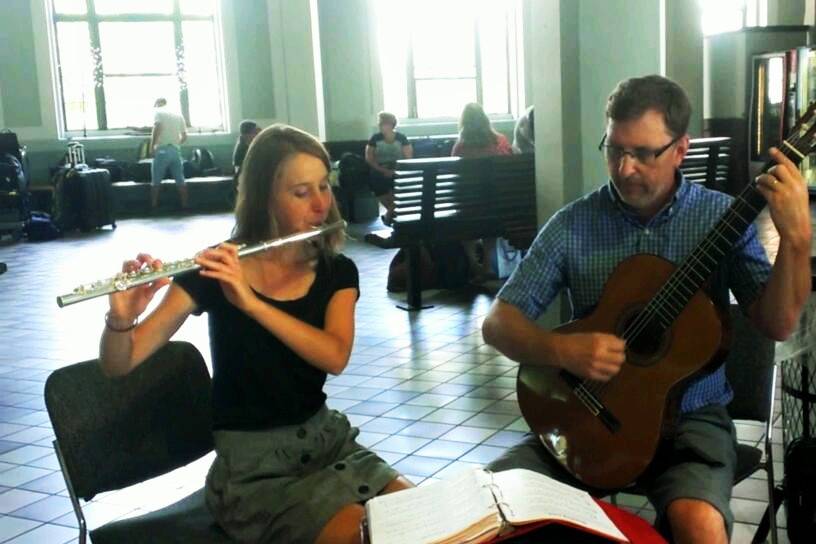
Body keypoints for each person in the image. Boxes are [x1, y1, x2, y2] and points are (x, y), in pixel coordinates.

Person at [482, 75, 811, 544]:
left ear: (680, 149)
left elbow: (776, 323)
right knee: (494, 501)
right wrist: (562, 350)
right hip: (585, 418)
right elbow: (498, 324)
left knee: (699, 526)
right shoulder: (573, 224)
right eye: (614, 149)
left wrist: (796, 242)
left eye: (642, 153)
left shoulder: (722, 217)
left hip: (692, 423)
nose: (624, 168)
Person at [99, 124, 412, 544]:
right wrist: (122, 318)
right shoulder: (215, 271)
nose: (321, 203)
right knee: (361, 532)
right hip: (255, 473)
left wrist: (251, 304)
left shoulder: (337, 271)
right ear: (265, 198)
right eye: (301, 193)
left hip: (328, 444)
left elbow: (334, 356)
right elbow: (121, 363)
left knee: (418, 515)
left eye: (325, 186)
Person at [451, 102, 512, 282]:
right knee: (488, 222)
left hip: (469, 207)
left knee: (465, 224)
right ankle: (487, 266)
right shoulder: (500, 141)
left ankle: (474, 264)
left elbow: (456, 178)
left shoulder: (461, 146)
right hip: (498, 205)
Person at [365, 111, 413, 225]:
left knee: (401, 182)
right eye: (380, 123)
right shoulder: (375, 138)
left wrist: (394, 170)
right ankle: (393, 213)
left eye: (383, 123)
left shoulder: (401, 138)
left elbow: (408, 158)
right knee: (376, 178)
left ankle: (389, 215)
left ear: (391, 124)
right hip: (380, 169)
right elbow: (369, 158)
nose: (380, 126)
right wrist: (383, 170)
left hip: (399, 168)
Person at [150, 97, 188, 212]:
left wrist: (152, 146)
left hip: (162, 150)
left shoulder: (158, 112)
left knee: (156, 180)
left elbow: (158, 127)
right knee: (180, 179)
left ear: (157, 104)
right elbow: (185, 135)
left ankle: (154, 206)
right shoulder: (178, 115)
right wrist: (176, 143)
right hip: (176, 150)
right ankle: (185, 205)